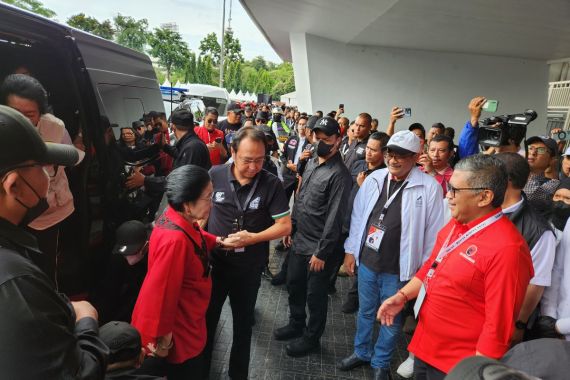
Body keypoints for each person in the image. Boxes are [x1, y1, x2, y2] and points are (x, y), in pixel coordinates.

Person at [378, 154, 534, 379]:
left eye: (454, 190)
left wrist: (475, 373)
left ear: (484, 197)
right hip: (425, 348)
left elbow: (498, 325)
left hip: (457, 367)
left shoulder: (508, 249)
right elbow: (432, 267)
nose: (448, 196)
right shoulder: (457, 223)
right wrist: (402, 296)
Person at [0, 104, 108, 378]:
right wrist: (85, 322)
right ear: (13, 186)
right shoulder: (15, 281)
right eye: (43, 167)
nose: (49, 179)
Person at [339, 130, 444, 380]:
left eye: (402, 156)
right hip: (368, 261)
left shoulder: (428, 187)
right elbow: (358, 217)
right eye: (391, 154)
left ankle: (380, 361)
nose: (394, 160)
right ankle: (361, 352)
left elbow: (434, 235)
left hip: (399, 268)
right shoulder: (375, 178)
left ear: (416, 157)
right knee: (365, 311)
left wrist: (424, 272)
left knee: (391, 317)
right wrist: (351, 250)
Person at [132, 165, 236, 380]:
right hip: (181, 330)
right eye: (208, 197)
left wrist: (217, 240)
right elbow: (161, 294)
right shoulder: (175, 241)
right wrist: (163, 339)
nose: (212, 202)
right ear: (188, 204)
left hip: (191, 316)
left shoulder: (173, 217)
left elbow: (196, 236)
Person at [203, 126, 292, 380]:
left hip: (248, 269)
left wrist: (253, 238)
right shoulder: (215, 174)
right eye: (247, 160)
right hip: (215, 265)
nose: (254, 166)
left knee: (243, 326)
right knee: (208, 323)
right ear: (232, 152)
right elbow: (203, 213)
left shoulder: (271, 183)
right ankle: (204, 370)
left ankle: (238, 374)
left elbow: (284, 225)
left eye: (260, 159)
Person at [274, 117, 352, 357]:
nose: (320, 144)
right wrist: (290, 229)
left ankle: (311, 338)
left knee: (315, 296)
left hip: (319, 248)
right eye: (317, 139)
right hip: (299, 239)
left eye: (326, 139)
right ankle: (296, 323)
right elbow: (301, 198)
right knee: (294, 284)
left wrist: (322, 252)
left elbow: (335, 219)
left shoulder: (340, 175)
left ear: (338, 140)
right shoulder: (310, 164)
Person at [0, 73, 84, 287]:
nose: (24, 121)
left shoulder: (55, 128)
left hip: (49, 213)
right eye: (16, 113)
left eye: (30, 114)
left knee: (45, 267)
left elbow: (72, 156)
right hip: (11, 213)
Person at [494, 153, 556, 344]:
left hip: (503, 320)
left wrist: (519, 324)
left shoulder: (539, 231)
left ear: (505, 180)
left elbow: (536, 283)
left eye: (487, 175)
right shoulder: (481, 208)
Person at [340, 131, 390, 314]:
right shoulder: (358, 165)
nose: (368, 152)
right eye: (368, 148)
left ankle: (355, 297)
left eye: (374, 150)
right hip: (348, 218)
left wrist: (364, 187)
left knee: (364, 263)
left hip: (371, 227)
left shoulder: (385, 175)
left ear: (384, 153)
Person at [129, 108, 211, 195]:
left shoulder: (192, 147)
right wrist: (165, 146)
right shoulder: (190, 143)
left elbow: (179, 181)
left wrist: (145, 180)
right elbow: (179, 154)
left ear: (173, 127)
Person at [91, 220, 151, 324]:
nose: (128, 257)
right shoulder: (117, 258)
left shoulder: (153, 258)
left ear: (145, 246)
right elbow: (109, 291)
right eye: (125, 253)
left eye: (132, 252)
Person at [523, 136, 560, 216]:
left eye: (541, 150)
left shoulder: (553, 185)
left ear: (551, 160)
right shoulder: (514, 172)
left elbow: (531, 194)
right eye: (530, 148)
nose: (533, 153)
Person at [280, 115, 310, 200]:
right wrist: (288, 165)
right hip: (288, 176)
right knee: (283, 201)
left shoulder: (310, 143)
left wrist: (300, 169)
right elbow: (282, 155)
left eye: (304, 124)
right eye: (300, 124)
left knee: (298, 203)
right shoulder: (291, 139)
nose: (301, 126)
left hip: (301, 177)